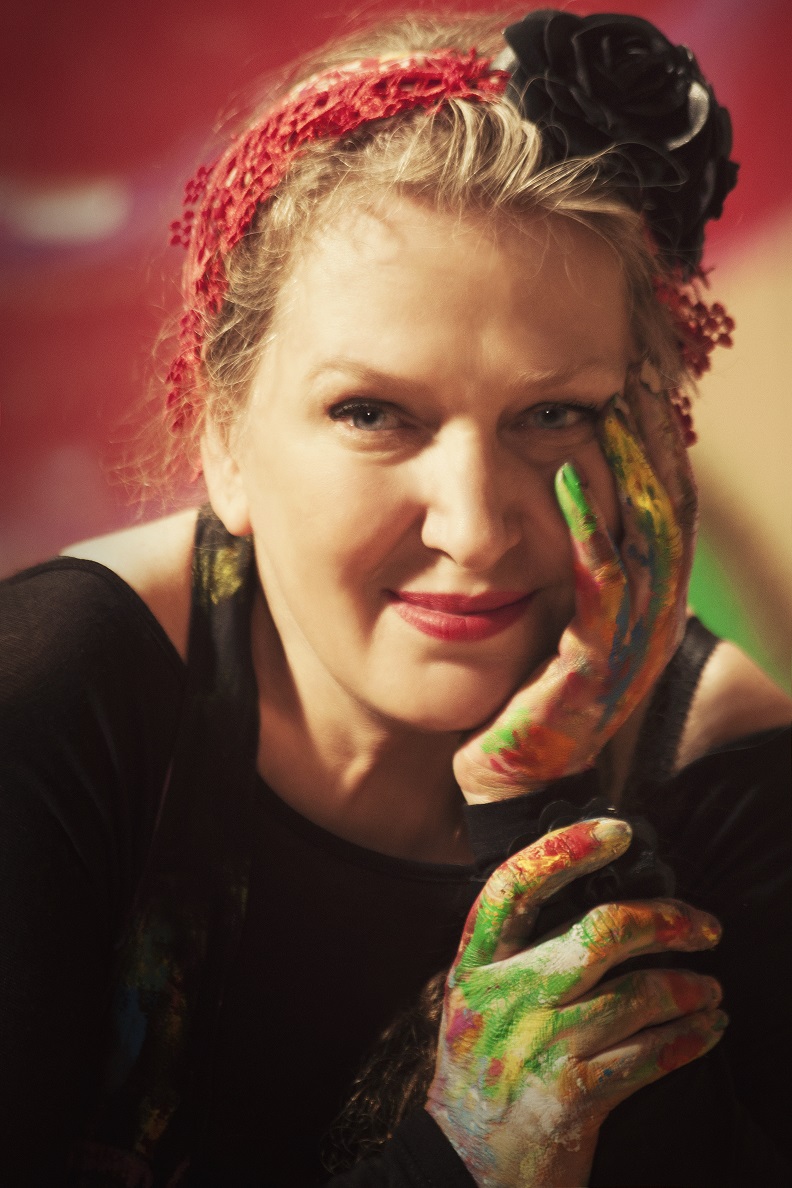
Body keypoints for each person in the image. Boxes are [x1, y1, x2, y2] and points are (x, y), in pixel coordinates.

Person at [0, 9, 789, 1186]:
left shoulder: (731, 771)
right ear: (224, 438)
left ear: (648, 438)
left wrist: (543, 803)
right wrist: (460, 1157)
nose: (474, 530)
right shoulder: (53, 693)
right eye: (372, 413)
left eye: (553, 413)